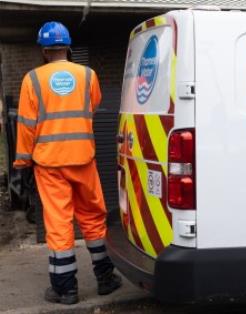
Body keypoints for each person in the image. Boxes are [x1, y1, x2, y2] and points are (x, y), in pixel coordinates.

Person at [13, 21, 121, 305]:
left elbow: (26, 126)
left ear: (44, 50)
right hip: (83, 159)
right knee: (93, 218)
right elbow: (92, 106)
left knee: (59, 224)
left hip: (50, 164)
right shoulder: (88, 75)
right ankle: (106, 279)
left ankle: (65, 289)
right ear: (68, 47)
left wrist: (22, 163)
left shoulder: (32, 79)